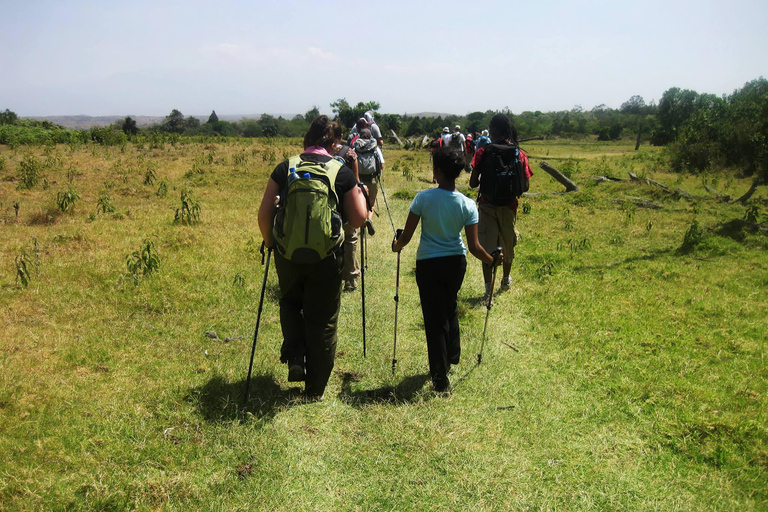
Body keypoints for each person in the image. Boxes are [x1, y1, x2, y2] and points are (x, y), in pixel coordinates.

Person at [258, 115, 369, 400]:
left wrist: (272, 243)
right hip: (326, 257)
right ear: (332, 143)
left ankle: (295, 357)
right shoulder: (340, 171)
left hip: (288, 254)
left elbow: (264, 215)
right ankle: (315, 388)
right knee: (323, 318)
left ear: (307, 139)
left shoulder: (286, 167)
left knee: (291, 303)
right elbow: (358, 219)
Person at [392, 146, 502, 393]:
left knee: (434, 319)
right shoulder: (467, 204)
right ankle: (453, 353)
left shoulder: (423, 199)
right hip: (456, 263)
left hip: (429, 264)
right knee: (449, 304)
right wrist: (492, 260)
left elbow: (407, 237)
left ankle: (440, 380)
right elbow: (474, 247)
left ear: (438, 171)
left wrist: (396, 246)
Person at [469, 114, 533, 303]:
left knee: (487, 246)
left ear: (493, 130)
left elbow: (473, 183)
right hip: (509, 206)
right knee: (508, 243)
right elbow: (526, 186)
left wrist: (487, 180)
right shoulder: (519, 154)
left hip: (487, 205)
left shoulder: (483, 152)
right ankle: (505, 280)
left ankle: (488, 290)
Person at [342, 127, 378, 291]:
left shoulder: (353, 147)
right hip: (362, 183)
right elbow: (380, 163)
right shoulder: (368, 148)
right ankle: (367, 218)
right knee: (370, 202)